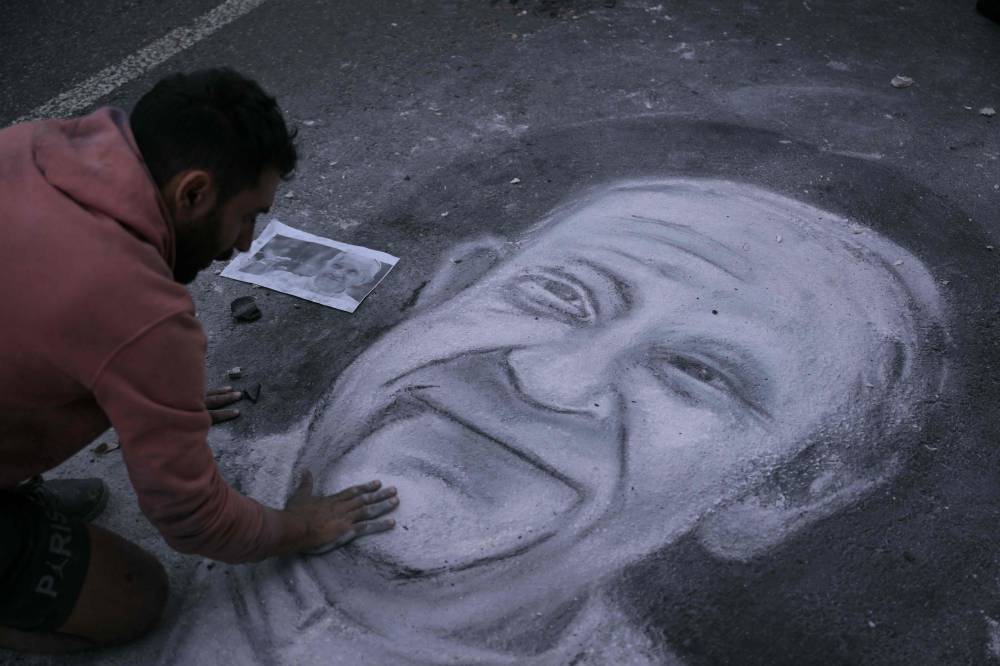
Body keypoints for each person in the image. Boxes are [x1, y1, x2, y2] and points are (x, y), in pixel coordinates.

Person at [161, 179, 949, 665]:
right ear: (449, 291)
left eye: (699, 374)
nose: (547, 382)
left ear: (779, 493)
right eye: (560, 296)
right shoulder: (149, 476)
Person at [0, 68, 399, 654]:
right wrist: (302, 527)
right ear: (192, 193)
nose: (244, 243)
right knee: (137, 600)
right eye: (246, 217)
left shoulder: (33, 145)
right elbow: (192, 519)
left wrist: (155, 400)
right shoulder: (138, 313)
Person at [310, 250, 383, 302]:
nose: (337, 273)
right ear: (326, 263)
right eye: (336, 265)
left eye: (352, 272)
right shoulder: (298, 281)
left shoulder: (348, 305)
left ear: (362, 281)